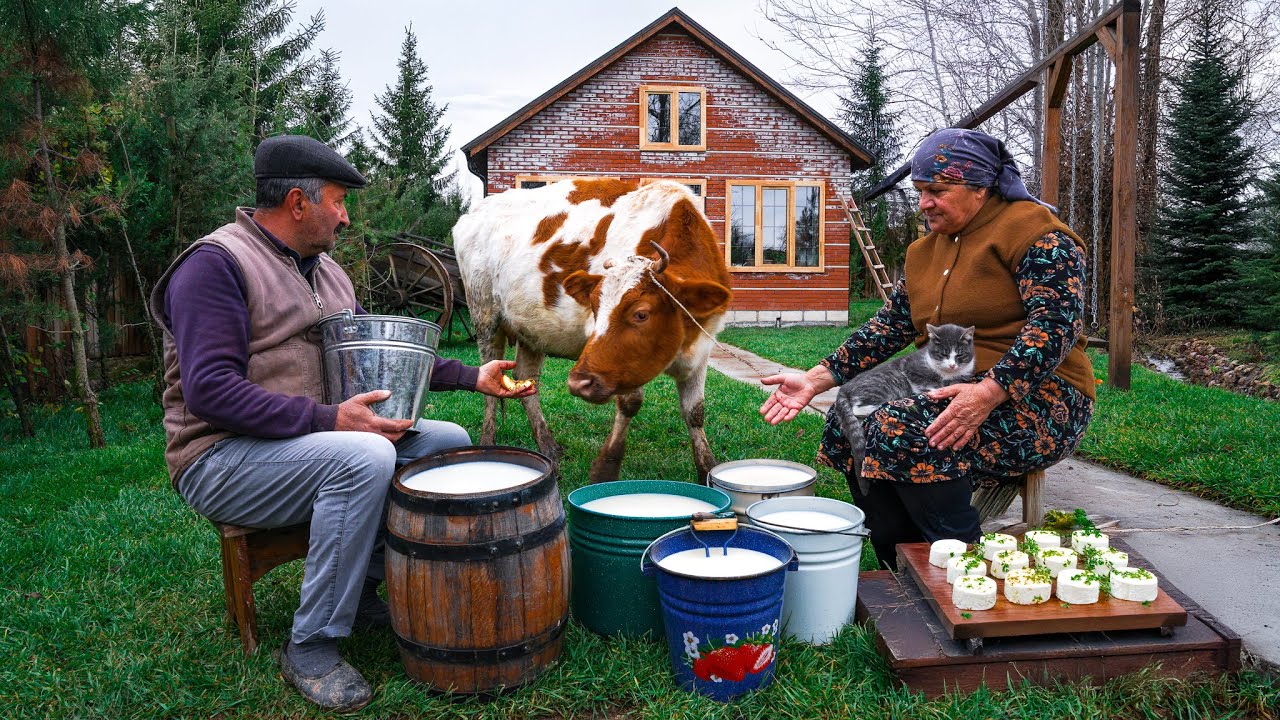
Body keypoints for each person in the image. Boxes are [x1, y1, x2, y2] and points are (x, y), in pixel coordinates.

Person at [148, 135, 534, 712]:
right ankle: (313, 645)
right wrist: (332, 419)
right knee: (366, 457)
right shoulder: (215, 266)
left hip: (307, 441)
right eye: (337, 201)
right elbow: (209, 393)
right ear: (298, 202)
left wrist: (469, 375)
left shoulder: (327, 273)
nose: (346, 215)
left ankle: (370, 587)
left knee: (446, 441)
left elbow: (376, 356)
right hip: (220, 457)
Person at [759, 128, 1095, 570]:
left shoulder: (1036, 233)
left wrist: (988, 393)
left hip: (1041, 395)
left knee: (905, 428)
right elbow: (890, 327)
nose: (924, 203)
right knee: (849, 417)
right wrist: (816, 379)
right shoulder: (923, 252)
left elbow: (1056, 326)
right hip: (954, 386)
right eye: (919, 191)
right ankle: (902, 568)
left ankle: (963, 568)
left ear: (980, 187)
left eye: (936, 190)